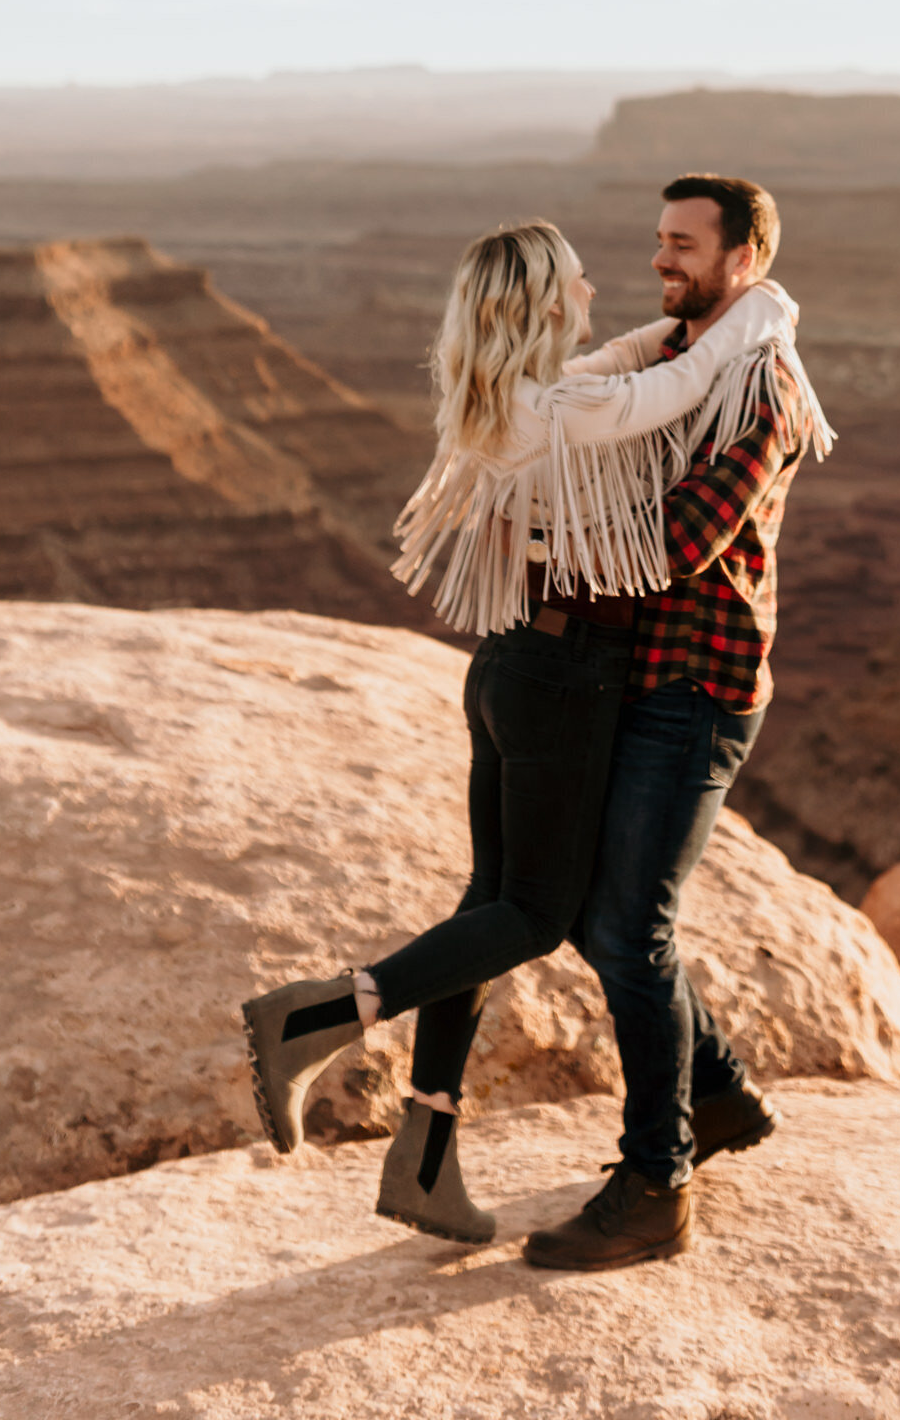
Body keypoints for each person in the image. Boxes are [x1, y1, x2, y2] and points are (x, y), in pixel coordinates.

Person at [242, 217, 799, 1244]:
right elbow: (667, 388)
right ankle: (317, 1017)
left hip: (506, 661)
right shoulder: (560, 415)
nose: (598, 295)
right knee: (540, 915)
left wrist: (696, 330)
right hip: (567, 676)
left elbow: (628, 362)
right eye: (578, 285)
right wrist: (762, 313)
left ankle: (427, 1156)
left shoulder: (516, 400)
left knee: (488, 907)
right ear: (545, 304)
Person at [523, 174, 833, 1273]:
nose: (665, 262)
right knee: (577, 908)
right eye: (659, 242)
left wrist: (543, 540)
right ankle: (723, 1095)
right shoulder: (659, 363)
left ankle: (658, 1180)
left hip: (699, 689)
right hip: (634, 677)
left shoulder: (764, 388)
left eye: (687, 246)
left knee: (626, 931)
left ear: (745, 256)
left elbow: (683, 539)